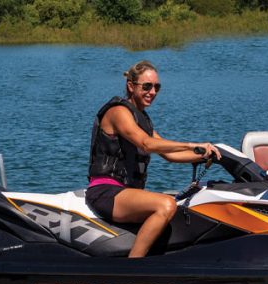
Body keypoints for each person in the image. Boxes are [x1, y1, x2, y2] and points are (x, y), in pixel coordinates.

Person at [86, 60, 220, 258]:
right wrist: (192, 144)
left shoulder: (142, 119)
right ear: (131, 86)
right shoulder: (118, 112)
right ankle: (134, 268)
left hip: (125, 192)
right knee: (166, 204)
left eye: (157, 87)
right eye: (146, 86)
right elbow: (146, 144)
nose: (152, 92)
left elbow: (170, 154)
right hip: (106, 191)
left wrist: (206, 154)